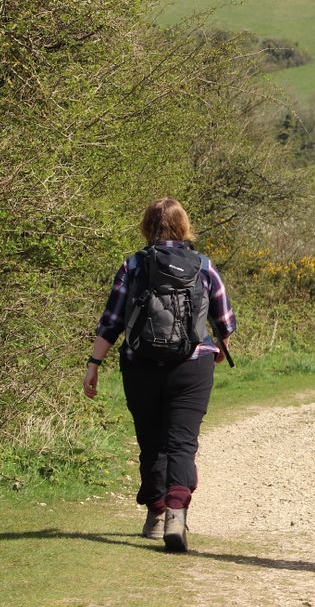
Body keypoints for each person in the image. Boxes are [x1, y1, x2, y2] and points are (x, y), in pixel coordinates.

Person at [82, 197, 235, 552]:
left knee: (150, 441)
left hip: (140, 365)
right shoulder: (203, 265)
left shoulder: (133, 265)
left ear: (147, 227)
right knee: (182, 442)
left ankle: (155, 511)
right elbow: (224, 319)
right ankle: (177, 514)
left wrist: (94, 365)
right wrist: (219, 349)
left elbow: (112, 321)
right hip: (193, 365)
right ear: (184, 226)